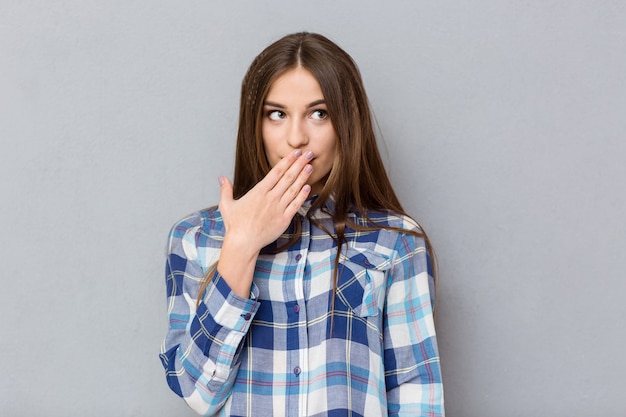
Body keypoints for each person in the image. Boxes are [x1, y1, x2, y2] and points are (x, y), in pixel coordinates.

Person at [159, 32, 444, 417]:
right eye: (277, 114)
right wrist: (241, 244)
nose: (296, 137)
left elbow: (416, 394)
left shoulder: (396, 243)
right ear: (254, 124)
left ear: (346, 121)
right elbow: (196, 393)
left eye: (319, 113)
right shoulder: (197, 238)